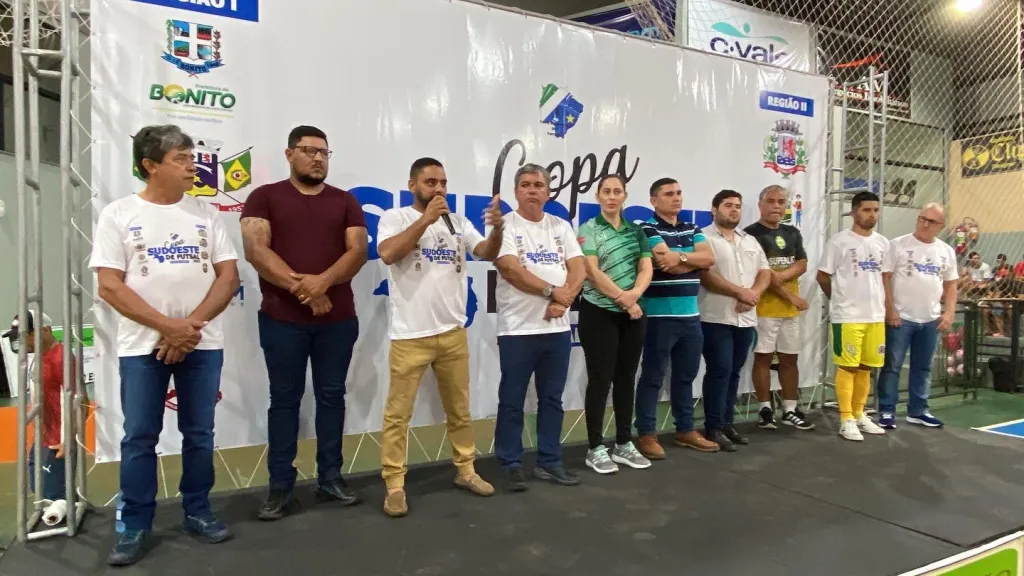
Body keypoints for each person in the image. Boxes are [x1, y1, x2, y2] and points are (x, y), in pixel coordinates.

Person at [91, 124, 240, 566]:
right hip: (143, 346)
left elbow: (228, 277)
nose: (192, 166)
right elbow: (109, 286)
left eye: (192, 157)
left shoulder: (206, 213)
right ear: (150, 165)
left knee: (200, 433)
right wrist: (167, 327)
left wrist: (188, 328)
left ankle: (198, 510)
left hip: (201, 343)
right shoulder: (118, 214)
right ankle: (135, 524)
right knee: (140, 437)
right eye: (181, 159)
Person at [240, 125, 368, 520]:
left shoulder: (344, 201)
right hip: (282, 321)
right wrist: (307, 291)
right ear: (289, 154)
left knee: (332, 397)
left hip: (338, 320)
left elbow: (358, 251)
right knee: (284, 400)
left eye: (324, 153)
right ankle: (281, 486)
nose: (317, 158)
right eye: (309, 150)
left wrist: (322, 283)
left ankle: (331, 477)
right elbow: (256, 250)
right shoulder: (264, 197)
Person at [375, 158, 504, 516]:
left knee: (459, 409)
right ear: (412, 185)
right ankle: (394, 484)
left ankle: (466, 470)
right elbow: (388, 254)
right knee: (398, 416)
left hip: (452, 333)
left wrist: (497, 231)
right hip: (410, 335)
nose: (439, 189)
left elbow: (486, 253)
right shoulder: (396, 217)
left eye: (443, 182)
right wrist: (426, 220)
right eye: (430, 182)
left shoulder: (458, 222)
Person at [493, 163, 586, 491]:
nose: (532, 190)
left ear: (548, 192)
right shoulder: (505, 225)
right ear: (516, 191)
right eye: (525, 185)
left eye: (538, 185)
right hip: (518, 330)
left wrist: (565, 299)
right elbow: (510, 270)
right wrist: (551, 291)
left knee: (552, 399)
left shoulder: (560, 226)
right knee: (512, 400)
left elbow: (578, 267)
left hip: (556, 330)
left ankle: (549, 461)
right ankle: (510, 464)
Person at [634, 178, 719, 459]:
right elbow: (663, 262)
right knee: (653, 377)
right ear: (653, 200)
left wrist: (681, 259)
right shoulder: (646, 228)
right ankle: (647, 433)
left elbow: (708, 260)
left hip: (691, 316)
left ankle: (685, 429)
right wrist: (690, 259)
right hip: (659, 316)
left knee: (685, 376)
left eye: (679, 193)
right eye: (669, 194)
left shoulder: (692, 227)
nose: (676, 198)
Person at [576, 174, 654, 474]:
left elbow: (645, 268)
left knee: (626, 378)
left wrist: (634, 295)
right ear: (597, 196)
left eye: (617, 192)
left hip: (633, 314)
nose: (611, 197)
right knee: (600, 379)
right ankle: (595, 448)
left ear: (624, 196)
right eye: (606, 192)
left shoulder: (636, 231)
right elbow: (591, 272)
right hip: (599, 311)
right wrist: (623, 298)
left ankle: (623, 443)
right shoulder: (589, 229)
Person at [699, 190, 771, 451]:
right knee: (719, 370)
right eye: (728, 205)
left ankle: (727, 423)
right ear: (714, 209)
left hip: (746, 319)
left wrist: (753, 294)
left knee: (733, 372)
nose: (734, 210)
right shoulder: (703, 238)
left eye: (737, 206)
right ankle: (713, 427)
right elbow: (705, 276)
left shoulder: (749, 240)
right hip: (716, 317)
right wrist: (739, 292)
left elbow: (765, 272)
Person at [816, 191, 890, 441]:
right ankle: (846, 418)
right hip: (848, 316)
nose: (872, 215)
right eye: (867, 210)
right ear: (854, 211)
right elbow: (822, 275)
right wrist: (837, 300)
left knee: (866, 367)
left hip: (875, 316)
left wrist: (887, 308)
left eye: (876, 210)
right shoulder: (839, 242)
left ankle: (859, 414)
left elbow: (884, 277)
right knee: (848, 366)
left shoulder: (883, 243)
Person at [878, 203, 957, 429]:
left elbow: (951, 284)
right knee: (892, 366)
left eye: (931, 221)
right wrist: (891, 310)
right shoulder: (898, 245)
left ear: (940, 226)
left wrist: (949, 312)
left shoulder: (946, 251)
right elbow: (885, 278)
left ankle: (918, 410)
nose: (924, 224)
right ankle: (887, 410)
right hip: (901, 318)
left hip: (930, 319)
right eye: (922, 218)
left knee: (923, 367)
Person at [744, 185, 814, 431]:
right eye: (771, 201)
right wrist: (790, 295)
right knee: (763, 357)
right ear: (761, 204)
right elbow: (761, 273)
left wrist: (781, 277)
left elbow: (802, 263)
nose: (776, 206)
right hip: (764, 308)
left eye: (781, 202)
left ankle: (790, 409)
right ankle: (765, 409)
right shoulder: (750, 235)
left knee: (790, 359)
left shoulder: (792, 232)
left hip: (789, 311)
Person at [3, 311, 81, 503]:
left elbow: (79, 401)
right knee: (41, 493)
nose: (23, 341)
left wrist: (68, 441)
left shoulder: (61, 359)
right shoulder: (40, 356)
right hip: (42, 439)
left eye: (27, 335)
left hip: (57, 441)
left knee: (54, 499)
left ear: (45, 330)